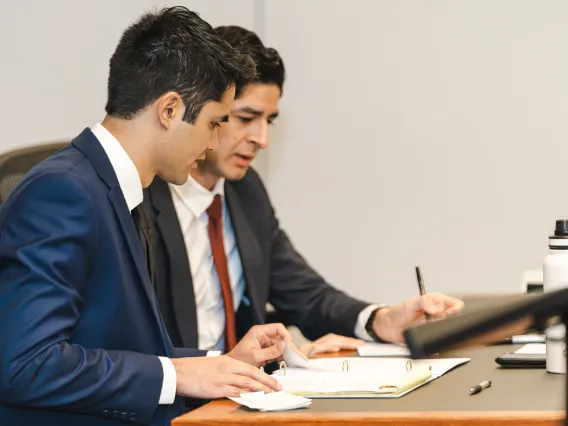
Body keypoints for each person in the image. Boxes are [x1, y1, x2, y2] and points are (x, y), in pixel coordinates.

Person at [0, 10, 297, 426]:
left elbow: (116, 346)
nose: (213, 142)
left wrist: (220, 363)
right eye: (214, 123)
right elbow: (25, 364)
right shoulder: (63, 192)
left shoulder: (115, 187)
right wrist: (175, 375)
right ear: (170, 110)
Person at [144, 26, 464, 358]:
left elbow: (306, 296)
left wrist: (381, 320)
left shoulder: (246, 191)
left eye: (270, 121)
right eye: (246, 118)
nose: (261, 139)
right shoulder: (142, 198)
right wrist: (221, 367)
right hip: (172, 401)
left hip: (237, 400)